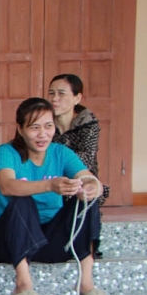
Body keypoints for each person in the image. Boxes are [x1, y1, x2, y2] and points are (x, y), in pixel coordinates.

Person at [0, 97, 112, 295]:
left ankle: (86, 284)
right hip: (6, 241)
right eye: (34, 128)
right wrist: (49, 185)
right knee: (22, 198)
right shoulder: (7, 152)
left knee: (87, 200)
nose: (42, 134)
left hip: (46, 241)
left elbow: (89, 178)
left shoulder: (60, 152)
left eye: (48, 126)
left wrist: (91, 188)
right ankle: (23, 285)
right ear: (20, 129)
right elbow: (7, 185)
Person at [48, 73, 109, 204]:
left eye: (61, 93)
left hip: (79, 179)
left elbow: (86, 160)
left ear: (77, 98)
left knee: (86, 190)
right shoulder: (43, 121)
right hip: (48, 179)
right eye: (51, 93)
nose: (54, 99)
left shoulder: (88, 124)